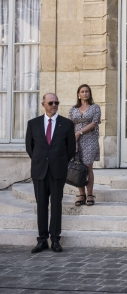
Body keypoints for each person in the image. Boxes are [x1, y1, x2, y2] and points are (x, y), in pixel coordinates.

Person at [25, 93, 76, 253]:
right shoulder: (33, 124)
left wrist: (58, 161)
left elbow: (70, 149)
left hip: (57, 171)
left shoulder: (66, 124)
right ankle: (42, 240)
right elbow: (29, 147)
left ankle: (55, 239)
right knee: (41, 205)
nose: (54, 105)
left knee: (56, 205)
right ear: (43, 104)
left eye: (56, 102)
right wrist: (42, 160)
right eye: (51, 102)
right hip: (39, 170)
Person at [68, 84, 101, 206]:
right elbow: (69, 125)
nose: (85, 93)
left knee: (87, 167)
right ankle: (81, 194)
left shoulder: (95, 107)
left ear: (90, 93)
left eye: (87, 91)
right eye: (82, 91)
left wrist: (79, 133)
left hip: (90, 140)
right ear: (78, 94)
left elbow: (94, 123)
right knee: (78, 166)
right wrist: (74, 140)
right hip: (75, 140)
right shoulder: (73, 109)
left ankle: (90, 194)